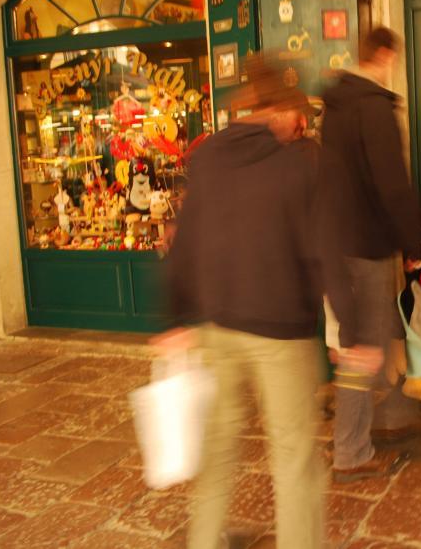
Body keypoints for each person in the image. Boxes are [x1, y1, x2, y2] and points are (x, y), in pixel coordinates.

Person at [153, 54, 353, 549]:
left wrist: (175, 318)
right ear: (279, 110)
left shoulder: (208, 156)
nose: (302, 124)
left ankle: (203, 542)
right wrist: (352, 328)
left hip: (216, 326)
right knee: (293, 457)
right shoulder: (301, 163)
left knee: (218, 452)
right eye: (298, 114)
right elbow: (324, 250)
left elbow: (186, 238)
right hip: (281, 332)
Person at [321, 26, 421, 484]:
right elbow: (392, 183)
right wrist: (413, 242)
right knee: (364, 349)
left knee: (363, 344)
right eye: (393, 59)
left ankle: (376, 423)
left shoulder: (336, 106)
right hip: (368, 245)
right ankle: (351, 450)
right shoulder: (373, 107)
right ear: (384, 55)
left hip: (341, 241)